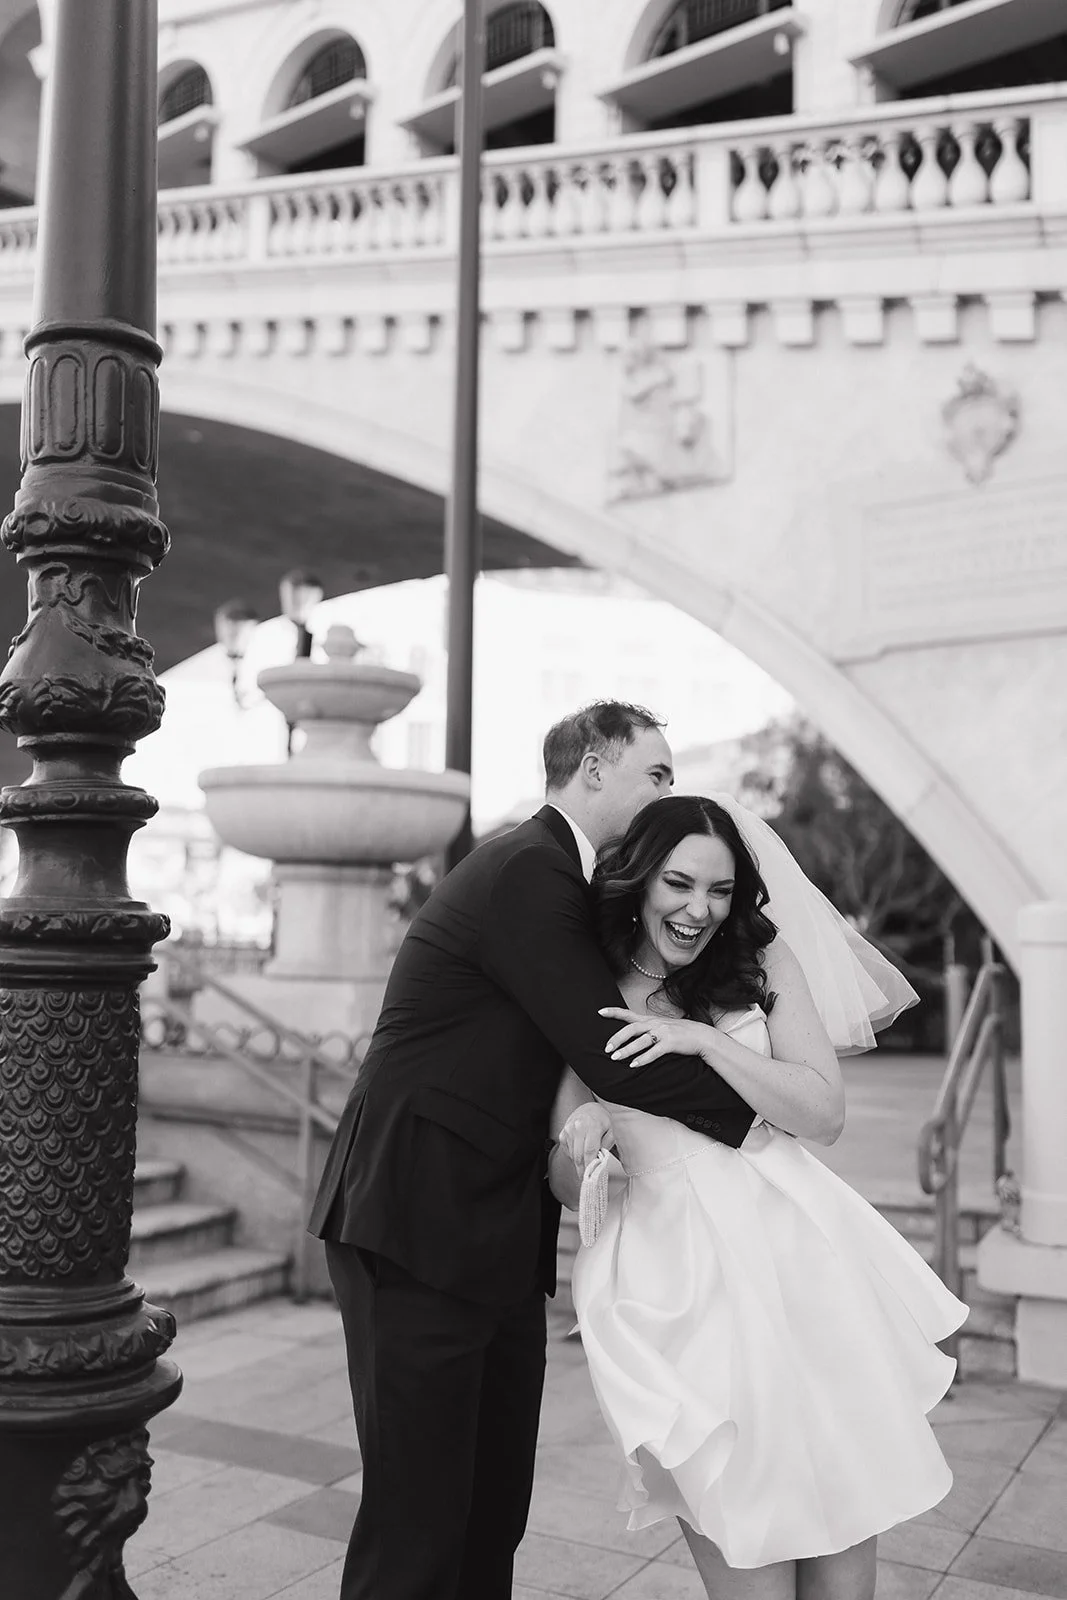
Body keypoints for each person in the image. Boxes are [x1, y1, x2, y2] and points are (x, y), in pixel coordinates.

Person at [309, 704, 761, 1600]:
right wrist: (759, 1115)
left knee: (488, 1517)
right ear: (592, 769)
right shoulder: (529, 870)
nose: (671, 792)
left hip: (494, 1232)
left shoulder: (568, 882)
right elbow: (606, 1053)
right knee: (419, 1525)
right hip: (416, 1221)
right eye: (657, 774)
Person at [552, 794, 967, 1600]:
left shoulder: (761, 961)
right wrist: (586, 1141)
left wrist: (702, 1040)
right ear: (637, 880)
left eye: (717, 889)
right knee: (743, 1549)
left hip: (796, 1261)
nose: (697, 909)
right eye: (677, 883)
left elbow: (823, 1113)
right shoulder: (584, 983)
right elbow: (565, 1183)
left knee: (842, 1540)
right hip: (674, 1290)